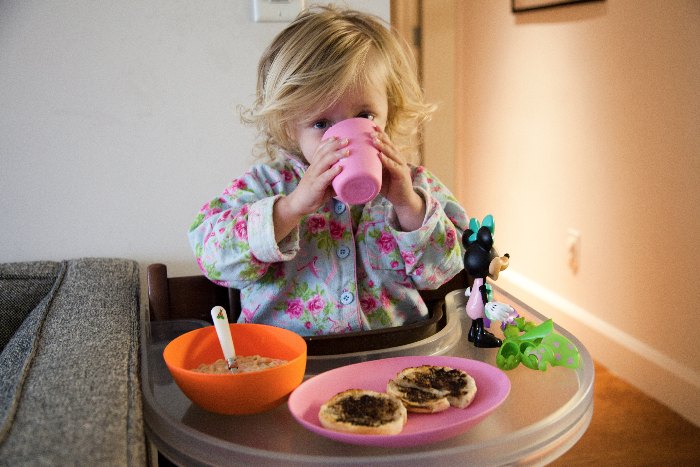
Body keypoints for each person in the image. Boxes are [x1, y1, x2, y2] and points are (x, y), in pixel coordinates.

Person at [188, 5, 468, 335]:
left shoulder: (411, 184)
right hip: (289, 361)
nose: (345, 136)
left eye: (365, 115)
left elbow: (449, 268)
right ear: (289, 127)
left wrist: (409, 205)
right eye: (321, 123)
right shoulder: (267, 184)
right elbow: (210, 255)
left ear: (388, 111)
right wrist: (290, 210)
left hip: (390, 355)